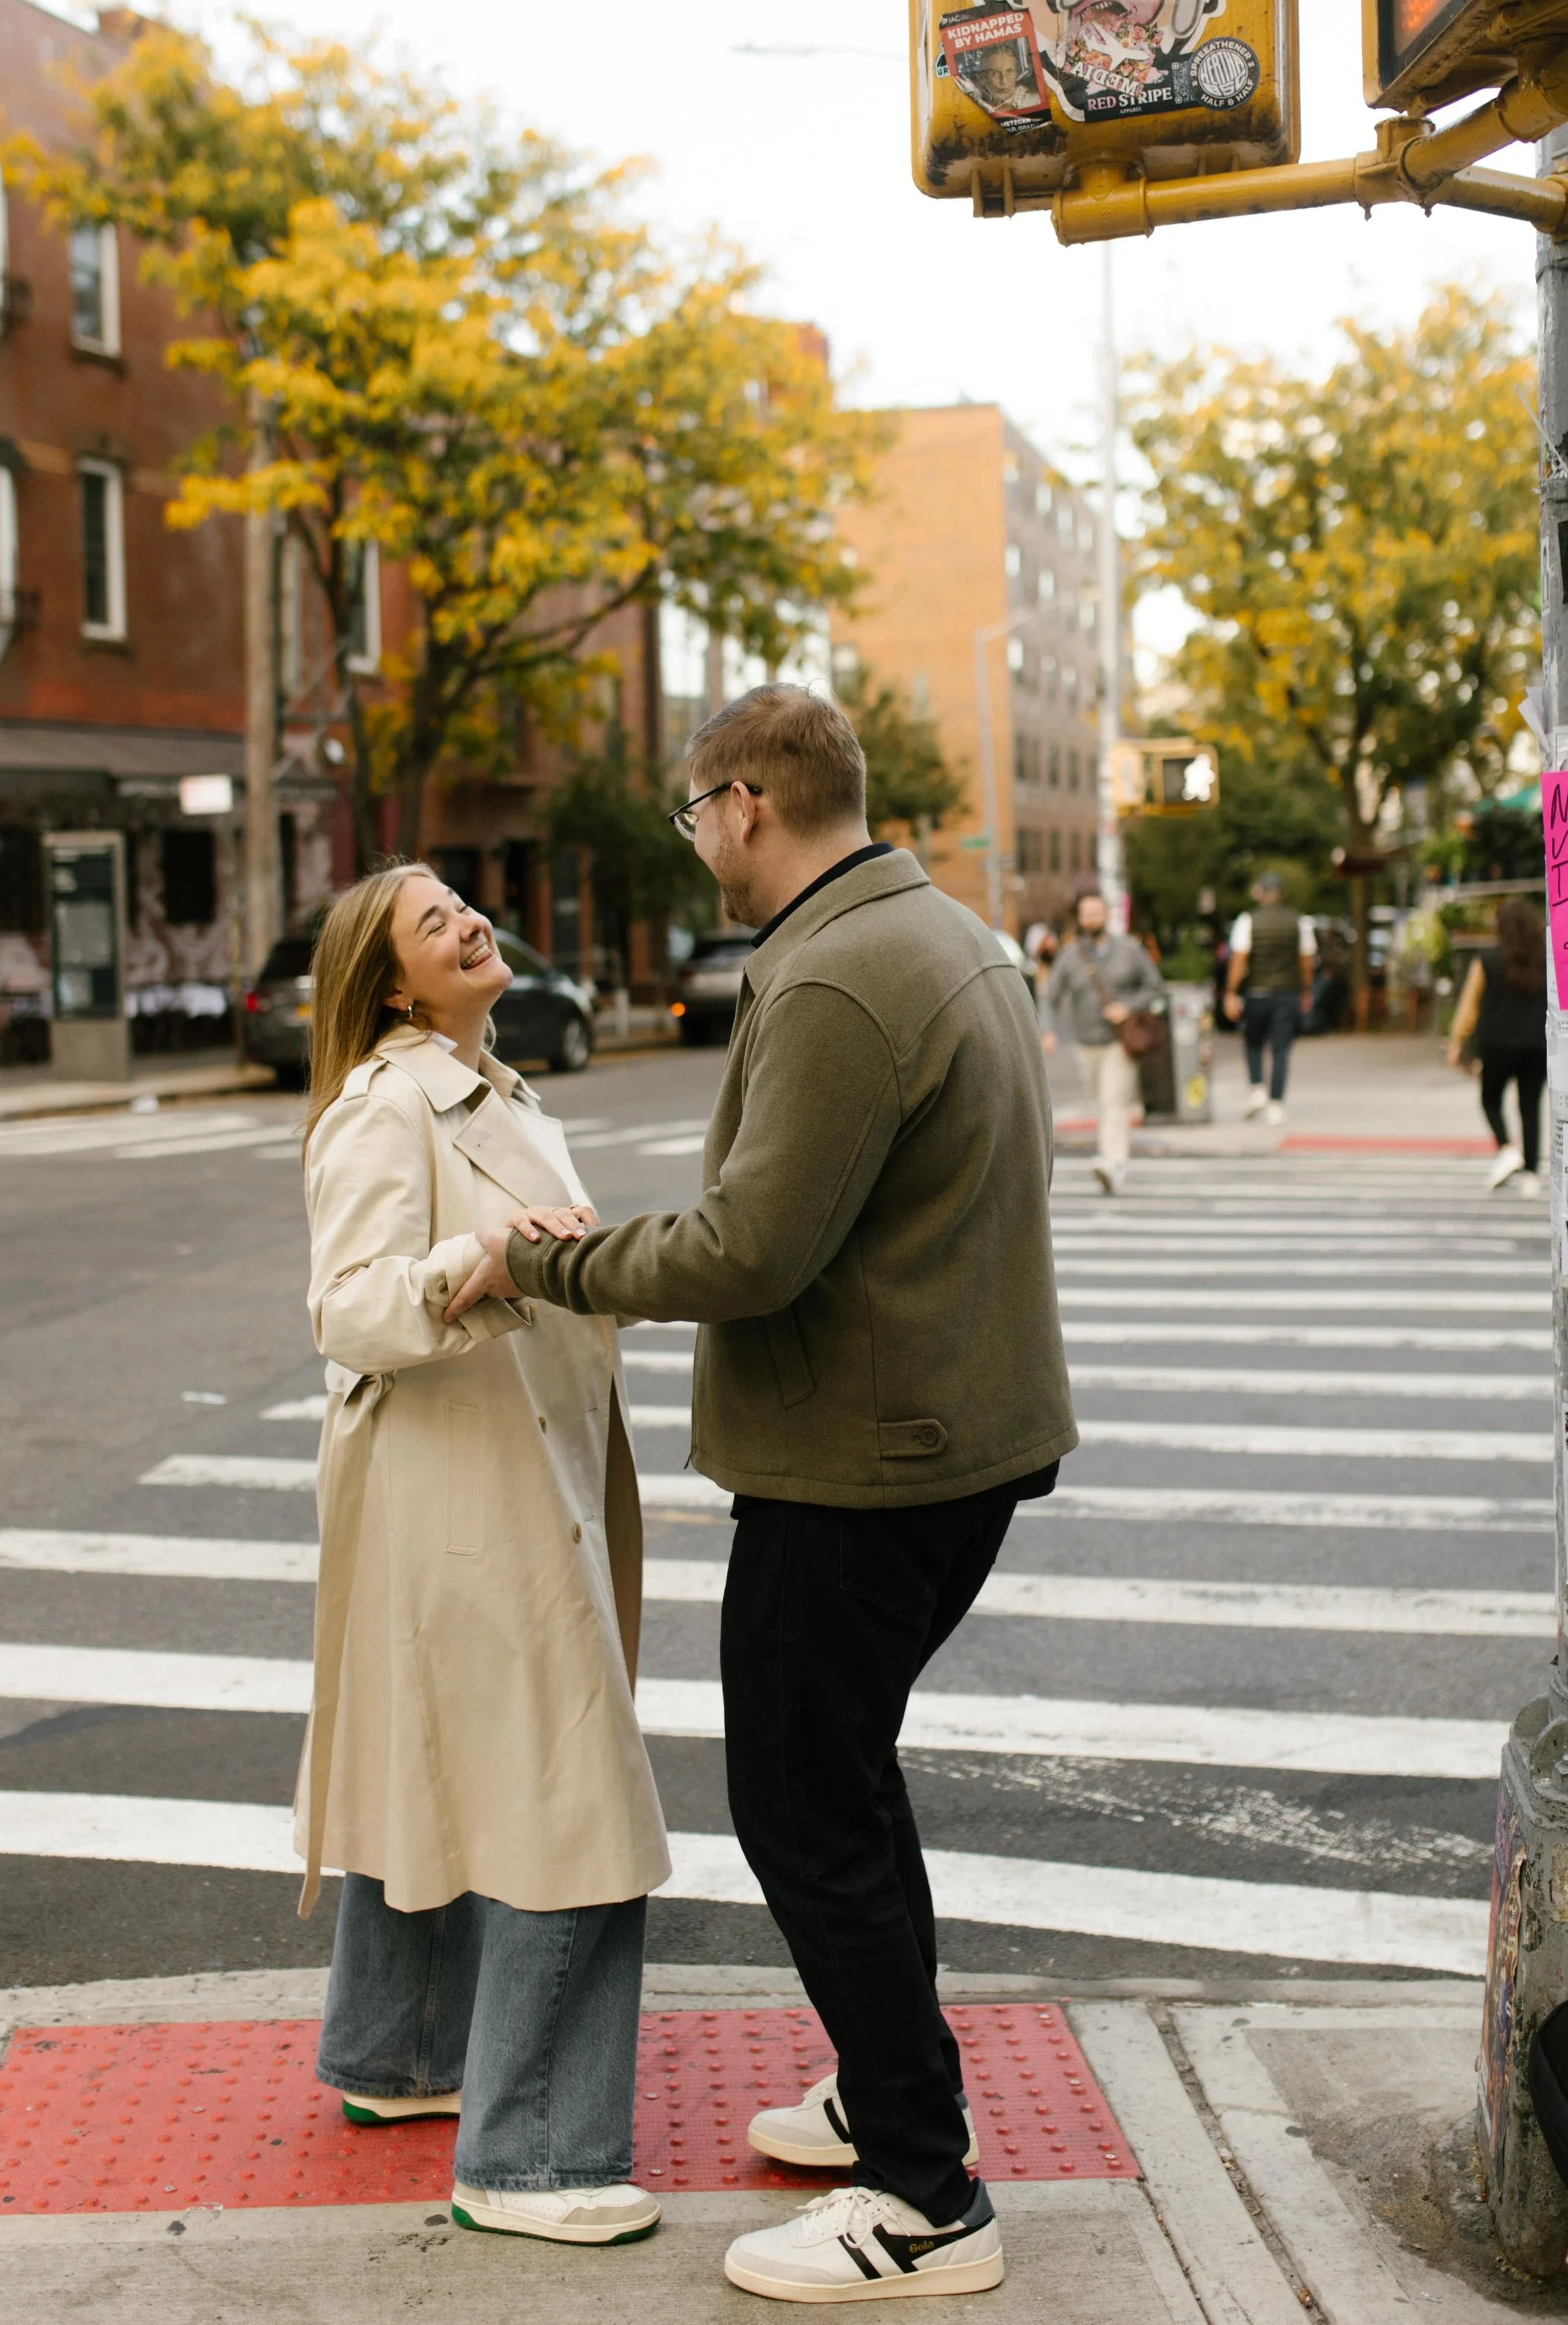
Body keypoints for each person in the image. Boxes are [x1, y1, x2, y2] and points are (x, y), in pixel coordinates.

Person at [446, 683, 1076, 2305]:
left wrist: (543, 1259)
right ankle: (887, 2095)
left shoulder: (837, 976)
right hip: (951, 1439)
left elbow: (746, 1252)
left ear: (743, 803)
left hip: (869, 1465)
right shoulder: (942, 931)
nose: (697, 846)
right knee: (847, 1788)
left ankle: (925, 2200)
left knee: (805, 1812)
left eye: (692, 816)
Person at [295, 863, 670, 2248]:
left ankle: (396, 2056)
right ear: (393, 983)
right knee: (565, 1789)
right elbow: (347, 1310)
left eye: (465, 904)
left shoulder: (495, 1089)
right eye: (434, 920)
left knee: (443, 1755)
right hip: (462, 1482)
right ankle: (537, 2159)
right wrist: (486, 1261)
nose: (469, 922)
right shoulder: (384, 1108)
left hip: (512, 1459)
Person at [1041, 886, 1165, 1195]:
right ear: (1080, 918)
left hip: (1119, 1042)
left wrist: (1128, 1007)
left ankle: (1113, 1162)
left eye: (1097, 913)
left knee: (1114, 1101)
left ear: (1107, 915)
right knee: (1101, 1101)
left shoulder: (1130, 950)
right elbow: (1051, 996)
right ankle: (1112, 1159)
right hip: (1086, 1043)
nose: (1092, 919)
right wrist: (1047, 1029)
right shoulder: (1070, 956)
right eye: (1087, 914)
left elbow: (1155, 988)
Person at [1447, 895, 1547, 1194]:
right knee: (1530, 1108)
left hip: (1497, 1043)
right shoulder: (1546, 958)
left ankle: (1506, 1148)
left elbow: (1469, 1005)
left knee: (1490, 1100)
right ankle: (1530, 1174)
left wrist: (1457, 1042)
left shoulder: (1488, 960)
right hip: (1536, 1044)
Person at [1223, 872, 1315, 1124]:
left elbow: (1239, 959)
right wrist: (1306, 990)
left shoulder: (1248, 920)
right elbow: (1306, 960)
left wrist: (1231, 992)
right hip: (1288, 992)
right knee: (1281, 1048)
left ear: (1262, 892)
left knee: (1253, 1042)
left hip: (1257, 992)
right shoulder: (1299, 921)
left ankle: (1257, 1089)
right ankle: (1276, 1103)